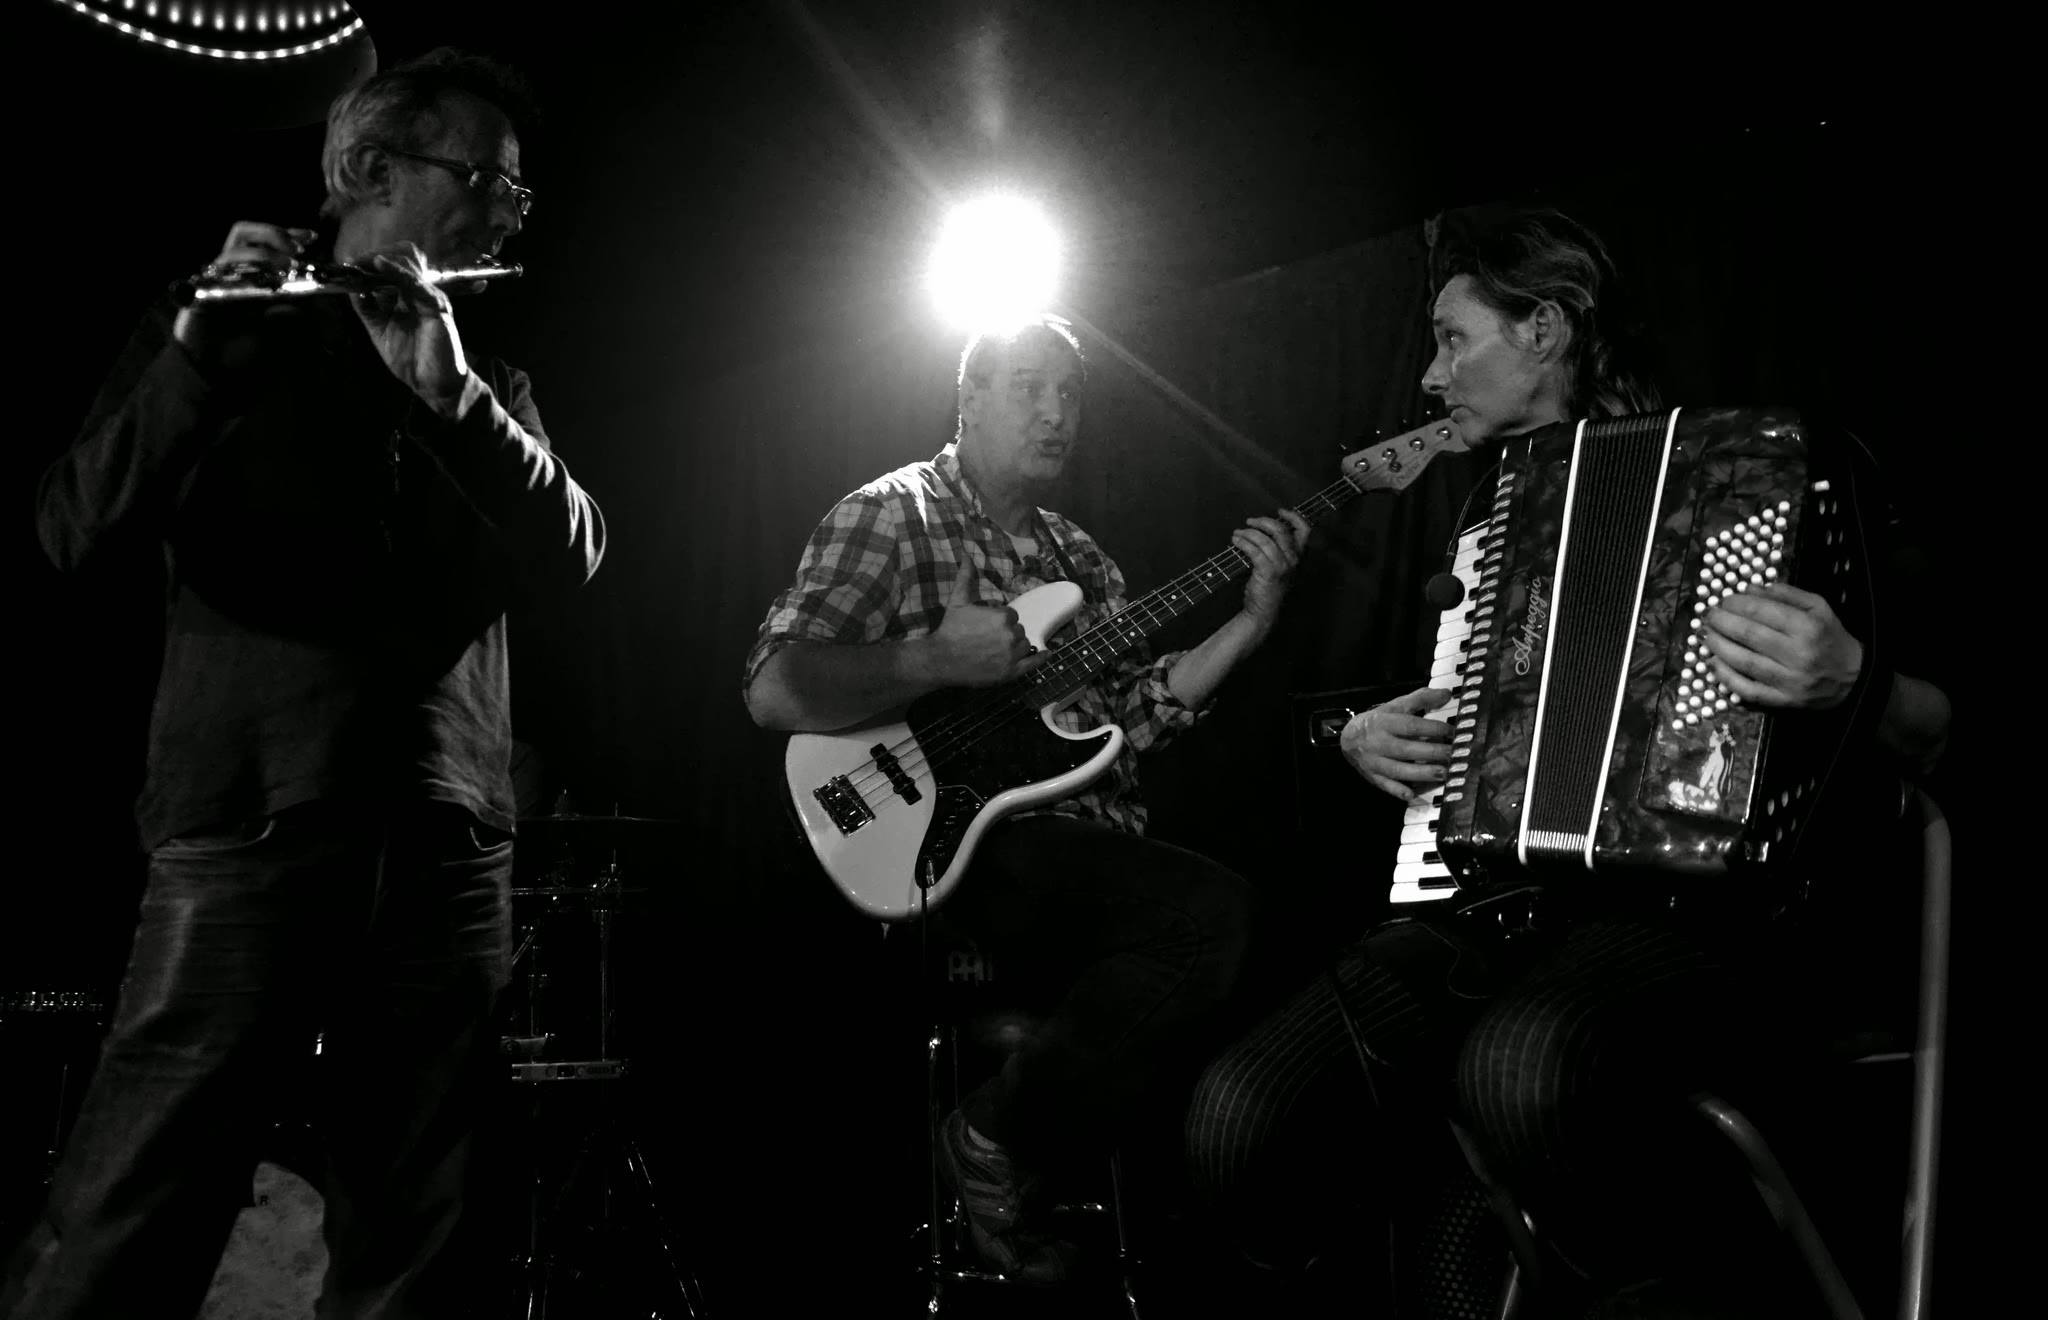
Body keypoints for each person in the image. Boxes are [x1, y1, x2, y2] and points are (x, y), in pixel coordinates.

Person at [1184, 207, 1952, 1314]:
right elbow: (1455, 721)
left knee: (1516, 1068)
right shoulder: (1484, 520)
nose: (1428, 376)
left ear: (1541, 329)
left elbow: (1934, 725)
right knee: (1234, 1119)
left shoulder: (1757, 471)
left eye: (1452, 339)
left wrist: (1852, 677)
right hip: (1484, 916)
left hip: (1694, 917)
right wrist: (1357, 736)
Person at [3, 49, 604, 1320]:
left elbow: (580, 556)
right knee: (135, 1207)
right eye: (488, 179)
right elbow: (71, 527)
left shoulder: (484, 383)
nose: (507, 210)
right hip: (252, 819)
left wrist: (453, 400)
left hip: (444, 840)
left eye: (517, 194)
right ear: (368, 172)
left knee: (417, 1237)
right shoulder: (218, 332)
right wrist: (197, 359)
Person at [744, 313, 1309, 1281]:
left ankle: (1060, 1198)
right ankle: (994, 1136)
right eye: (1028, 387)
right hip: (953, 847)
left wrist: (1250, 626)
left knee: (1247, 930)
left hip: (1083, 855)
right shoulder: (891, 514)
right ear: (966, 399)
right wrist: (932, 657)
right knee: (1214, 916)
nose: (1056, 413)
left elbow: (1131, 719)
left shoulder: (1083, 562)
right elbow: (770, 688)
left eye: (1071, 394)